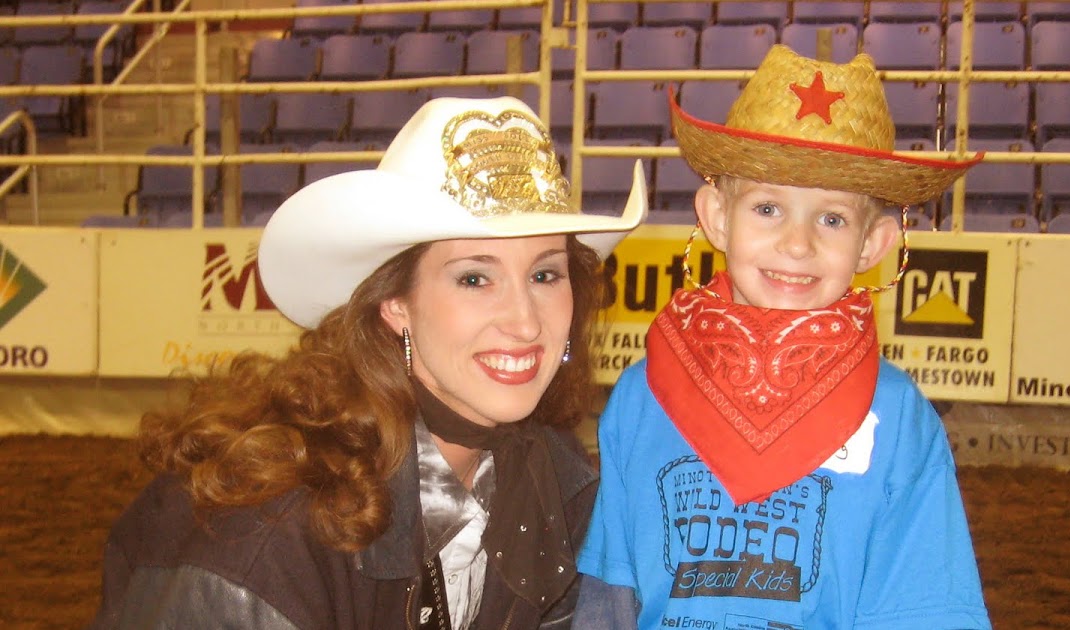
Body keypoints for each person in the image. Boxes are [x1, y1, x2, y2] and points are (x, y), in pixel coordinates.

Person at [90, 96, 647, 630]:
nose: (526, 322)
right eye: (475, 278)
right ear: (395, 303)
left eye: (545, 275)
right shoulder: (265, 531)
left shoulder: (553, 481)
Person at [572, 47, 992, 629]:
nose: (798, 245)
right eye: (768, 207)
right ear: (717, 216)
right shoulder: (644, 395)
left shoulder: (897, 418)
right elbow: (610, 593)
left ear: (873, 244)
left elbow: (924, 607)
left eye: (832, 219)